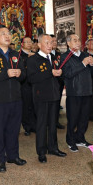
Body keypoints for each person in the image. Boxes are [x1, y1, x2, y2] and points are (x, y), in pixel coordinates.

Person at [0, 25, 27, 173]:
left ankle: (13, 156)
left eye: (8, 34)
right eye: (3, 34)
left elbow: (24, 76)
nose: (7, 36)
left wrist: (20, 73)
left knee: (14, 130)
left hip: (15, 98)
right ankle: (0, 159)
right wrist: (5, 74)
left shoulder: (16, 54)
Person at [27, 34, 67, 163]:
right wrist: (49, 72)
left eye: (51, 42)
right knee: (42, 124)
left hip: (54, 95)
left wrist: (61, 73)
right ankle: (41, 151)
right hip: (41, 96)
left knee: (53, 123)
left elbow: (60, 76)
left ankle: (53, 148)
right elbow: (32, 78)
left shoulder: (55, 58)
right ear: (39, 45)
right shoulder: (33, 60)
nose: (50, 45)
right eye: (47, 43)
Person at [61, 34, 93, 152]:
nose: (78, 42)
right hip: (74, 92)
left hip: (87, 91)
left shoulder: (86, 55)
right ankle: (70, 140)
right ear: (68, 43)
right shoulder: (65, 57)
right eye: (75, 40)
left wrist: (92, 64)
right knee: (73, 119)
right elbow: (67, 74)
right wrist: (83, 64)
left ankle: (80, 138)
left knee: (84, 118)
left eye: (79, 39)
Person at [20, 37, 36, 136]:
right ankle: (27, 127)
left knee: (34, 105)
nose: (29, 43)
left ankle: (34, 125)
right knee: (26, 106)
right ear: (22, 44)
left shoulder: (35, 54)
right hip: (25, 84)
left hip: (35, 84)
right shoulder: (19, 55)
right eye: (27, 42)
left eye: (30, 42)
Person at [50, 34, 65, 129]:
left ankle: (55, 121)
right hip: (49, 83)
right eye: (52, 41)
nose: (55, 43)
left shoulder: (59, 55)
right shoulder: (46, 55)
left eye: (55, 41)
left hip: (59, 83)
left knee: (57, 103)